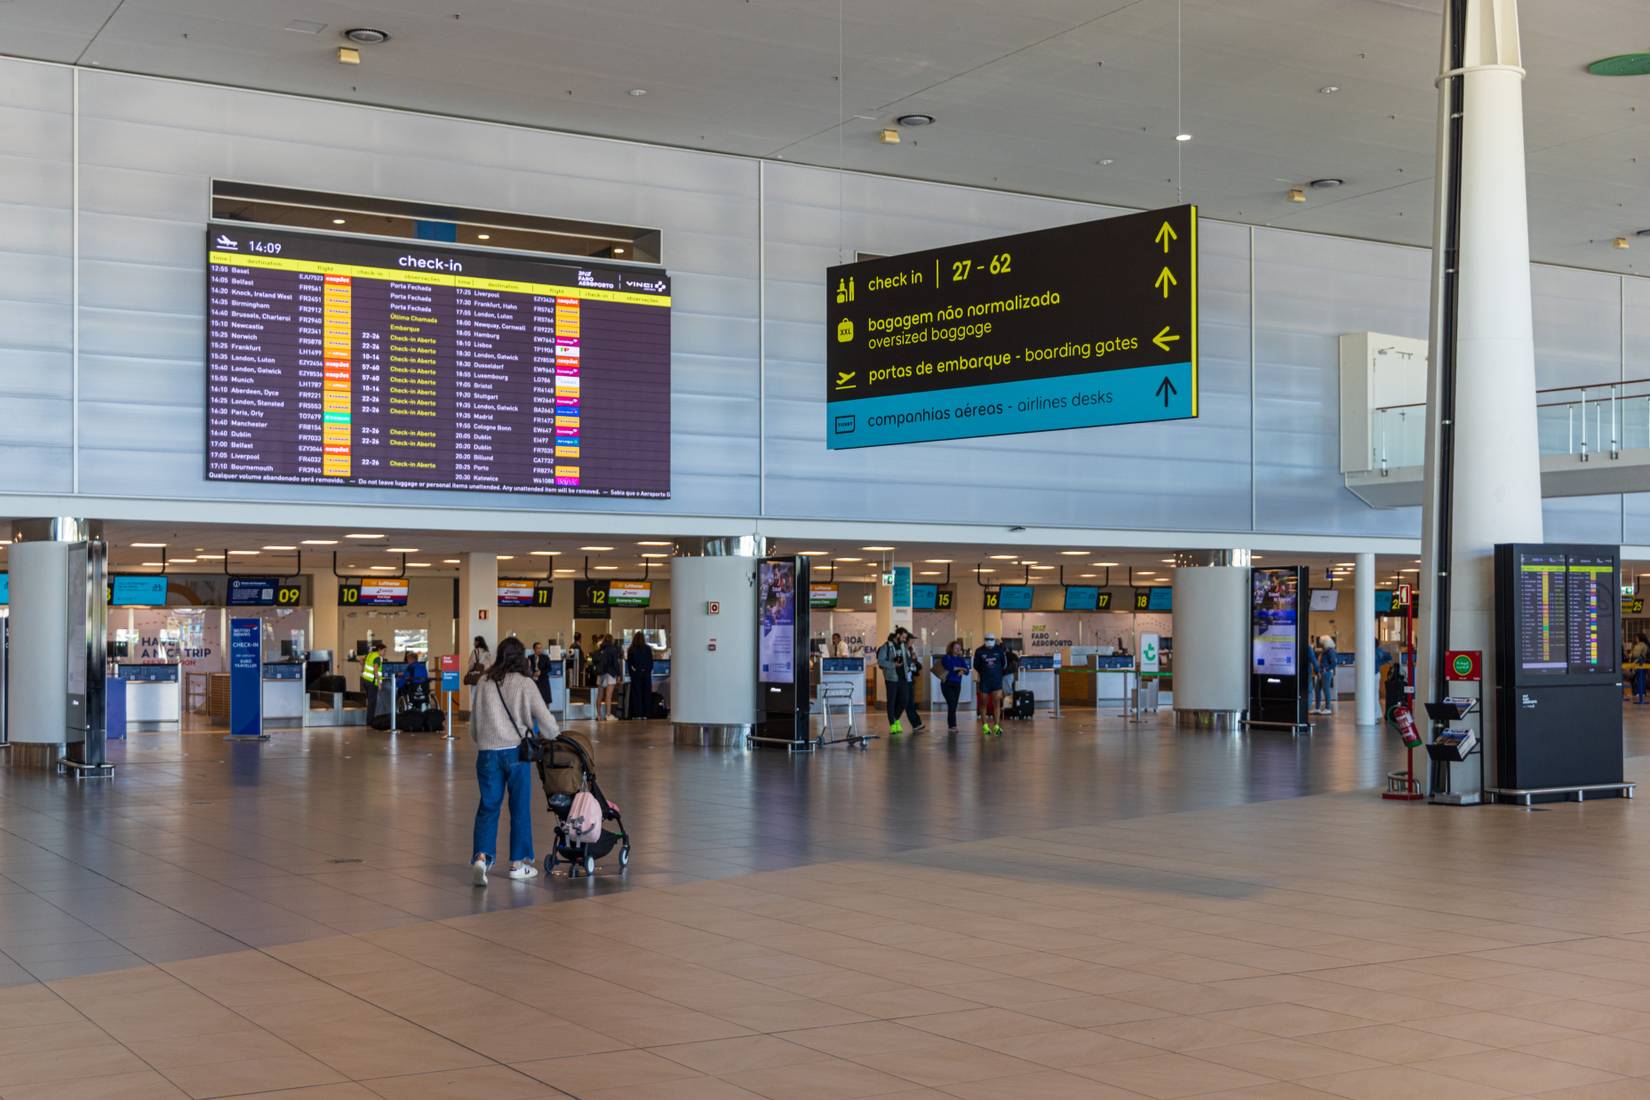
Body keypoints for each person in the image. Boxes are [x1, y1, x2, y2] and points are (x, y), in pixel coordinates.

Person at [468, 636, 557, 886]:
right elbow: (544, 717)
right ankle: (518, 864)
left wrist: (482, 741)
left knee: (488, 806)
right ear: (522, 657)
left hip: (487, 753)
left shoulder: (485, 681)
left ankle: (481, 859)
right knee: (519, 807)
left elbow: (474, 721)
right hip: (516, 753)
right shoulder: (525, 683)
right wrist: (555, 736)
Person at [875, 629, 923, 736]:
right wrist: (893, 664)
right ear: (897, 635)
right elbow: (880, 661)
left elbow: (907, 660)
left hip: (904, 677)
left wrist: (912, 659)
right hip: (891, 678)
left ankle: (895, 718)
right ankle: (892, 724)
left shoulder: (904, 646)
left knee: (904, 700)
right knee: (891, 702)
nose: (905, 639)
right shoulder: (886, 646)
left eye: (905, 638)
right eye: (903, 637)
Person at [973, 633, 1009, 736]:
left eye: (991, 639)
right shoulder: (979, 651)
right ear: (984, 640)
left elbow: (1004, 664)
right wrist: (984, 672)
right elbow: (976, 665)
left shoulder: (999, 650)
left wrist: (997, 672)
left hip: (996, 681)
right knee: (983, 703)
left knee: (997, 703)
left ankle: (997, 726)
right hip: (984, 681)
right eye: (987, 639)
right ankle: (985, 725)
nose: (989, 641)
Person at [938, 640, 970, 732]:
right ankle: (952, 725)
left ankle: (951, 725)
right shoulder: (946, 657)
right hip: (946, 684)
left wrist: (963, 670)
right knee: (952, 703)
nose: (958, 649)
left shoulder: (961, 659)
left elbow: (967, 671)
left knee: (954, 705)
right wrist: (961, 668)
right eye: (956, 648)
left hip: (957, 684)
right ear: (951, 649)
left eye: (959, 648)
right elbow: (950, 667)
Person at [626, 631, 655, 720]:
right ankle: (646, 713)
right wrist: (647, 670)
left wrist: (634, 671)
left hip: (636, 675)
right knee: (646, 694)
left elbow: (629, 664)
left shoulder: (631, 649)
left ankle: (637, 713)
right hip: (646, 674)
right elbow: (650, 662)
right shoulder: (647, 649)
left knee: (636, 694)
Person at [595, 634, 623, 721]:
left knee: (599, 695)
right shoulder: (613, 649)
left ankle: (599, 715)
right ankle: (608, 715)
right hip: (610, 673)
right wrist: (619, 674)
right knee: (608, 695)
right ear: (612, 640)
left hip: (600, 673)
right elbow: (615, 663)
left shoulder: (600, 649)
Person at [361, 639, 386, 719]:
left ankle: (369, 719)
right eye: (384, 651)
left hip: (365, 680)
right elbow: (375, 671)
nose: (384, 653)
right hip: (371, 683)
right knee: (372, 703)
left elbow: (361, 659)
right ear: (379, 650)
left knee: (369, 701)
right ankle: (370, 721)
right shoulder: (377, 658)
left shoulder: (370, 654)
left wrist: (363, 668)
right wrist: (379, 683)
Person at [1315, 635, 1338, 716]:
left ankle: (1328, 708)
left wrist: (1326, 669)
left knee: (1326, 690)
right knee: (1317, 689)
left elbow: (1334, 663)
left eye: (1321, 642)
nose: (1320, 644)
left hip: (1326, 673)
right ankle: (1317, 708)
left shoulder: (1330, 651)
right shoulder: (1324, 651)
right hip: (1321, 672)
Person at [529, 642, 553, 707]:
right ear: (534, 649)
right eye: (538, 648)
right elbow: (527, 668)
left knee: (545, 700)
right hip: (534, 682)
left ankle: (546, 715)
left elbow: (549, 668)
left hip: (543, 681)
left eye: (540, 648)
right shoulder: (530, 658)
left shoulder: (545, 657)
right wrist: (532, 673)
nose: (539, 650)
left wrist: (541, 672)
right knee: (534, 700)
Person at [1630, 633, 1649, 705]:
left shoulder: (1641, 645)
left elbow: (1637, 655)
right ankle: (1640, 692)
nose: (1635, 639)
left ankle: (1639, 692)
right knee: (1639, 678)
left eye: (1636, 638)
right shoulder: (1642, 645)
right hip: (1639, 662)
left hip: (1639, 662)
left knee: (1639, 678)